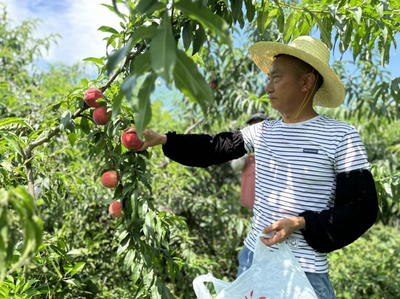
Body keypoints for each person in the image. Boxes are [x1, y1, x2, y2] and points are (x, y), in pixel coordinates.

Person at [126, 36, 379, 299]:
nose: (267, 87)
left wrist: (301, 222)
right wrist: (165, 139)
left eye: (276, 78)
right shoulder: (264, 131)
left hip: (303, 274)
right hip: (253, 263)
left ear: (306, 82)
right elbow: (215, 147)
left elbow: (363, 208)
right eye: (268, 78)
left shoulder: (340, 136)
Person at [231, 112, 267, 209]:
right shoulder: (243, 144)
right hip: (248, 193)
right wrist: (247, 151)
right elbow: (235, 166)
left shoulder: (271, 144)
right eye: (254, 124)